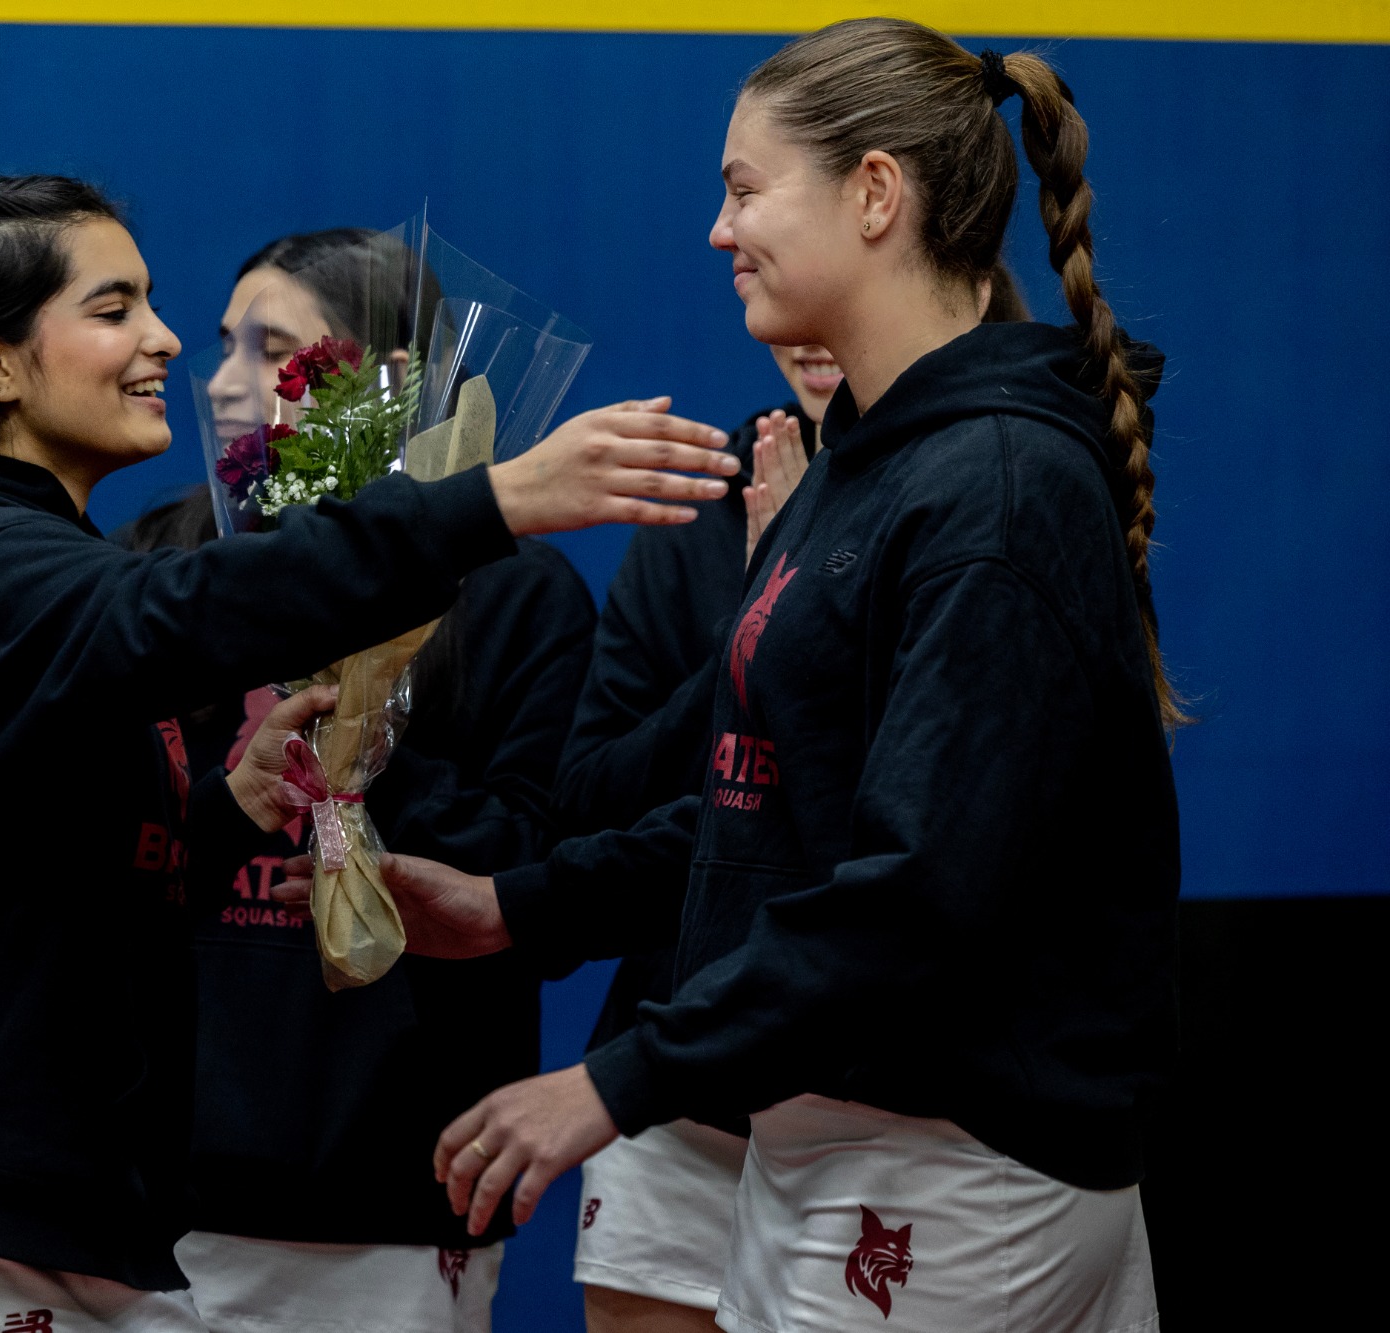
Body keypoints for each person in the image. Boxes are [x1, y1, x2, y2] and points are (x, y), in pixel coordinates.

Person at [0, 175, 739, 1332]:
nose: (170, 342)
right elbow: (172, 613)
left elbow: (63, 881)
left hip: (69, 1237)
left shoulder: (34, 555)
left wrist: (230, 812)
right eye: (113, 307)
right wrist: (484, 498)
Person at [295, 22, 1178, 1332]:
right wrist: (514, 907)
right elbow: (774, 811)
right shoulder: (862, 466)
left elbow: (920, 893)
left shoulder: (995, 486)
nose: (719, 229)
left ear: (876, 194)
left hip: (952, 1164)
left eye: (745, 187)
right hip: (846, 1140)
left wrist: (612, 1081)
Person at [119, 228, 599, 1333]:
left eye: (270, 347)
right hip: (166, 1192)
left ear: (389, 383)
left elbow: (543, 872)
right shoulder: (162, 565)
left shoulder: (515, 595)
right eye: (224, 345)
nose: (226, 380)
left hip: (394, 1190)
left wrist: (368, 747)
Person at [557, 271, 1031, 1333]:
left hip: (887, 1106)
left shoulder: (998, 488)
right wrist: (751, 620)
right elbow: (589, 803)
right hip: (682, 1087)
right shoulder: (699, 503)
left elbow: (923, 836)